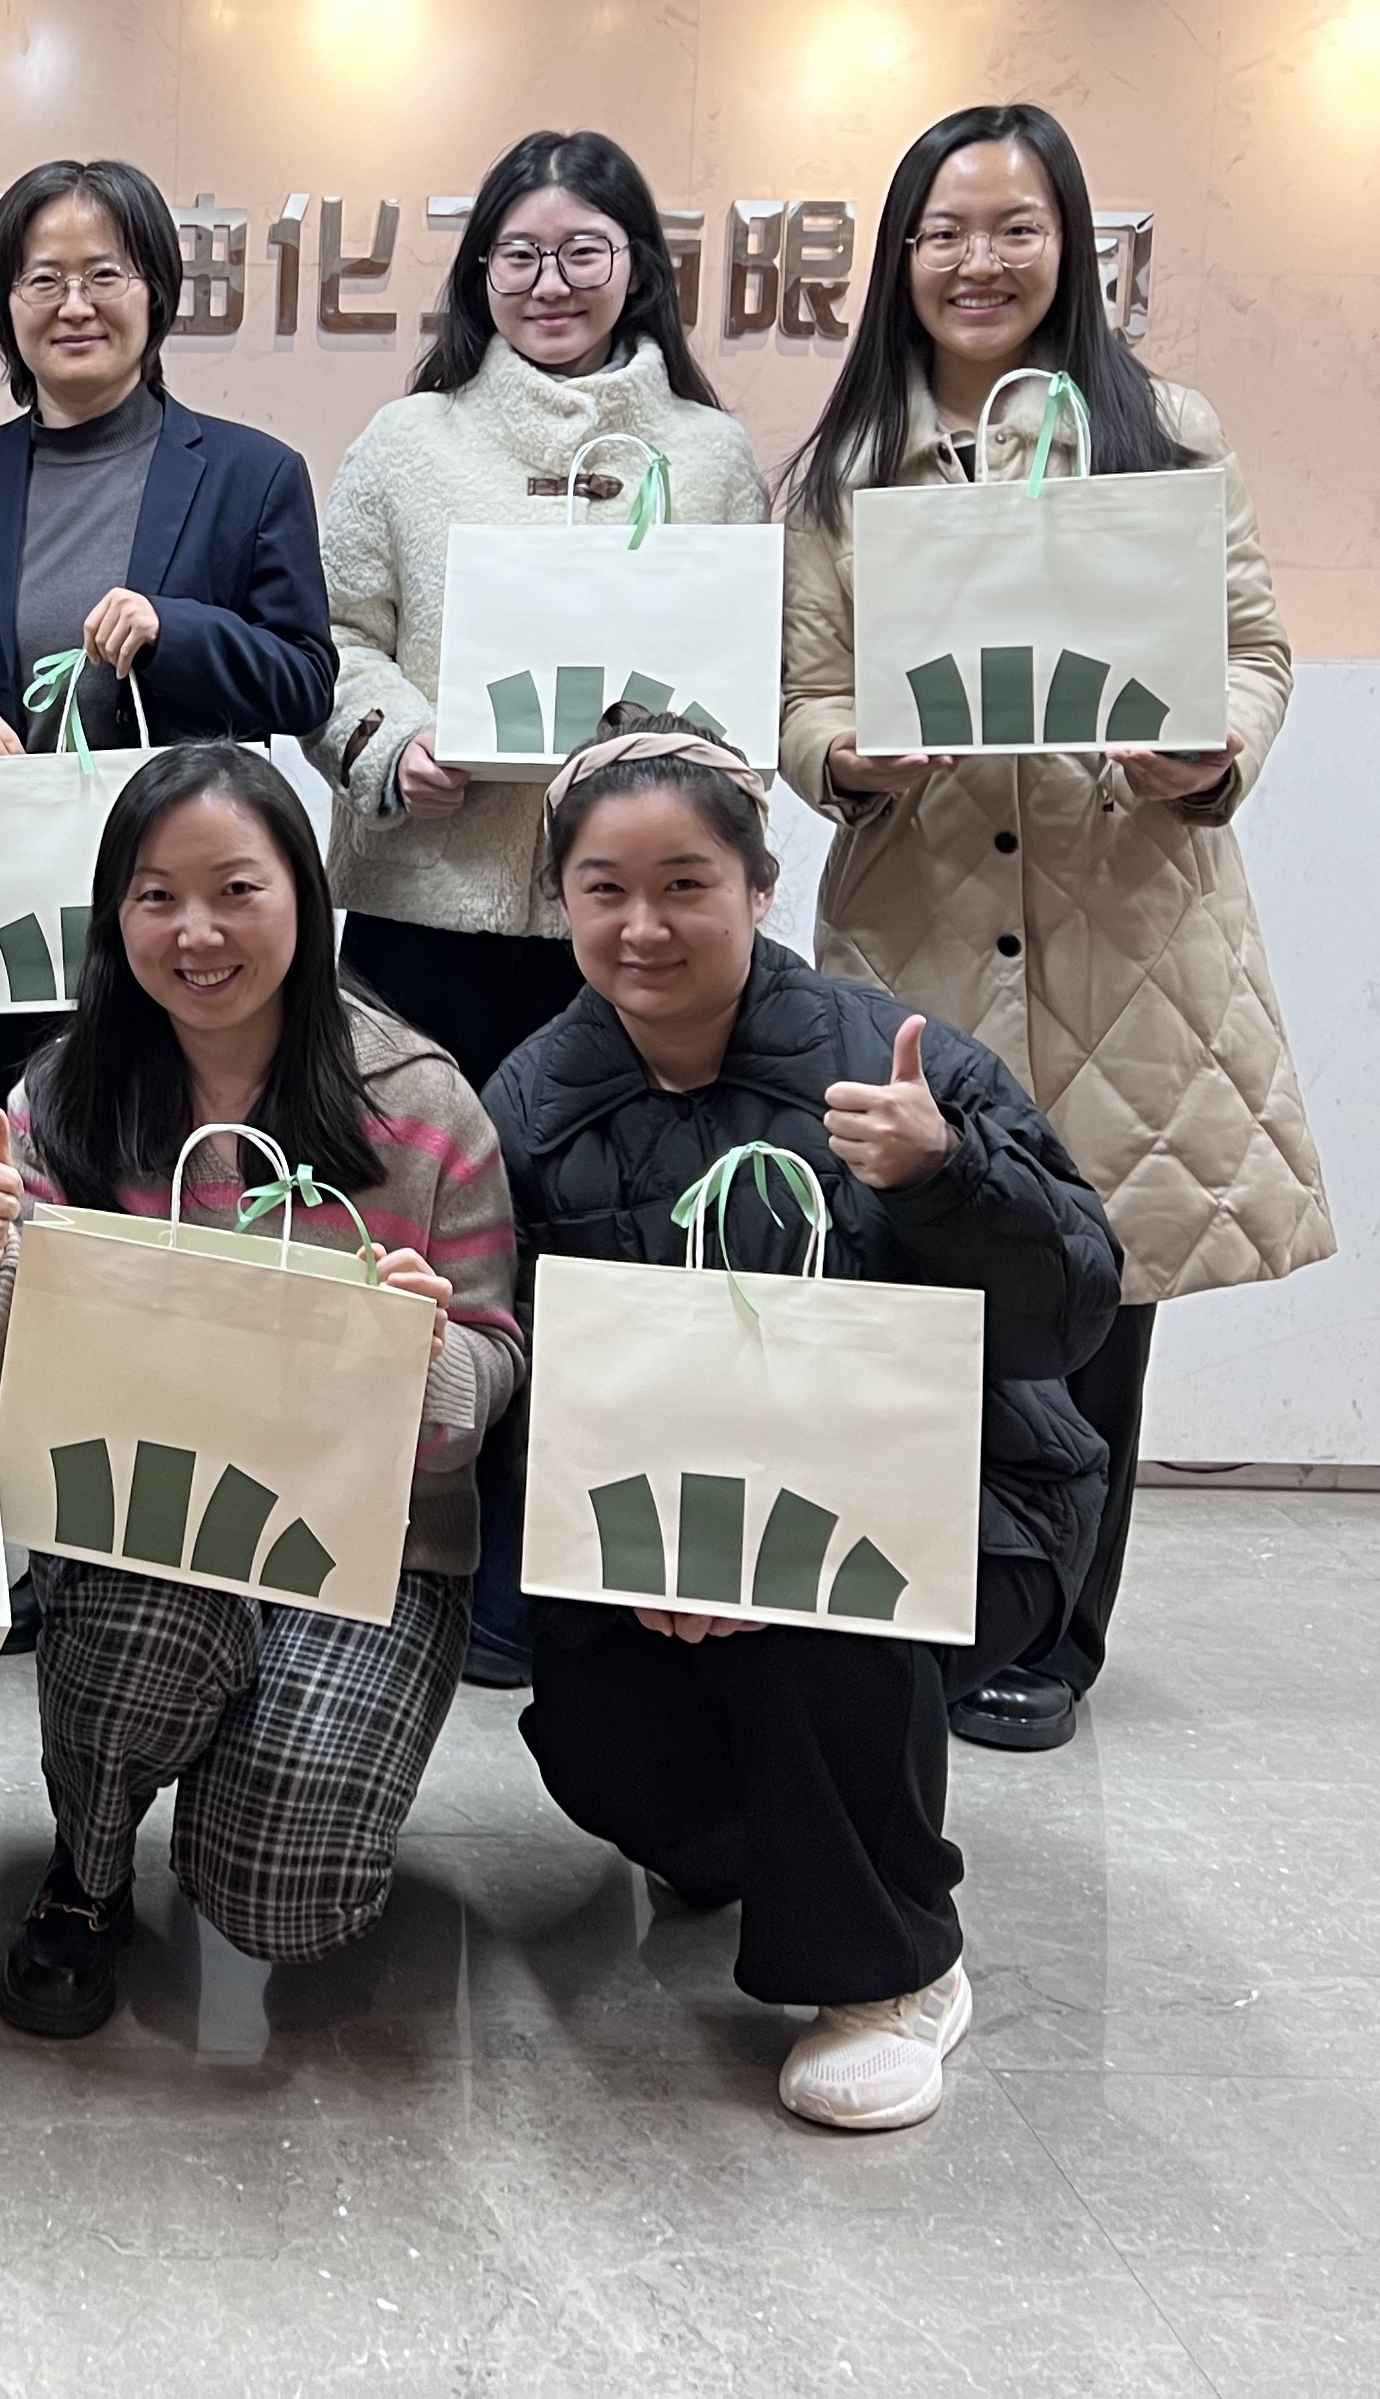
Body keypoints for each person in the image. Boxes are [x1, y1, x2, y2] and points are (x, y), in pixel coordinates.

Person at [778, 102, 1330, 1754]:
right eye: (944, 231)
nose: (979, 260)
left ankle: (1057, 1636)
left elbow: (1254, 649)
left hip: (1125, 933)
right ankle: (919, 1601)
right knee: (918, 1284)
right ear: (899, 256)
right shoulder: (851, 463)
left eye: (1015, 227)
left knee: (1099, 1297)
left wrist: (1212, 752)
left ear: (1072, 248)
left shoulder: (1163, 431)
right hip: (922, 925)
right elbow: (802, 693)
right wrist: (844, 756)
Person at [480, 715, 1117, 2130]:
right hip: (657, 1535)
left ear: (761, 888)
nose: (644, 926)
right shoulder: (526, 1102)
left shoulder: (892, 1063)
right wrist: (630, 1557)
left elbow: (1073, 1311)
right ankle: (750, 1834)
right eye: (604, 889)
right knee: (596, 1740)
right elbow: (520, 1369)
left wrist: (947, 1176)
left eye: (686, 885)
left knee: (817, 1615)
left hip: (964, 1508)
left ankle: (893, 1970)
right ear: (560, 901)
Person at [0, 743, 519, 2037]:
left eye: (236, 890)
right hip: (146, 1524)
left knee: (280, 1900)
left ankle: (253, 1763)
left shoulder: (419, 1102)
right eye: (156, 897)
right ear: (115, 915)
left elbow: (494, 1359)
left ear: (305, 895)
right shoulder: (60, 1096)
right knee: (150, 1608)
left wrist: (432, 1353)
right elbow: (1, 1388)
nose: (196, 933)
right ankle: (88, 1874)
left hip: (374, 1545)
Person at [306, 130, 766, 1091]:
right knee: (414, 1163)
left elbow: (746, 668)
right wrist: (398, 747)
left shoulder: (712, 455)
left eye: (583, 252)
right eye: (519, 255)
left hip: (639, 918)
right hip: (429, 902)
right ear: (482, 271)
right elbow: (333, 635)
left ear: (637, 264)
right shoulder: (407, 441)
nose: (550, 284)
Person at [0, 159, 335, 1125]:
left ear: (157, 293)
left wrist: (172, 630)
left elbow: (305, 680)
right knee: (9, 1152)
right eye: (43, 279)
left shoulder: (251, 473)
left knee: (180, 1154)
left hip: (188, 912)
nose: (76, 305)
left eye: (104, 274)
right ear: (5, 304)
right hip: (1, 898)